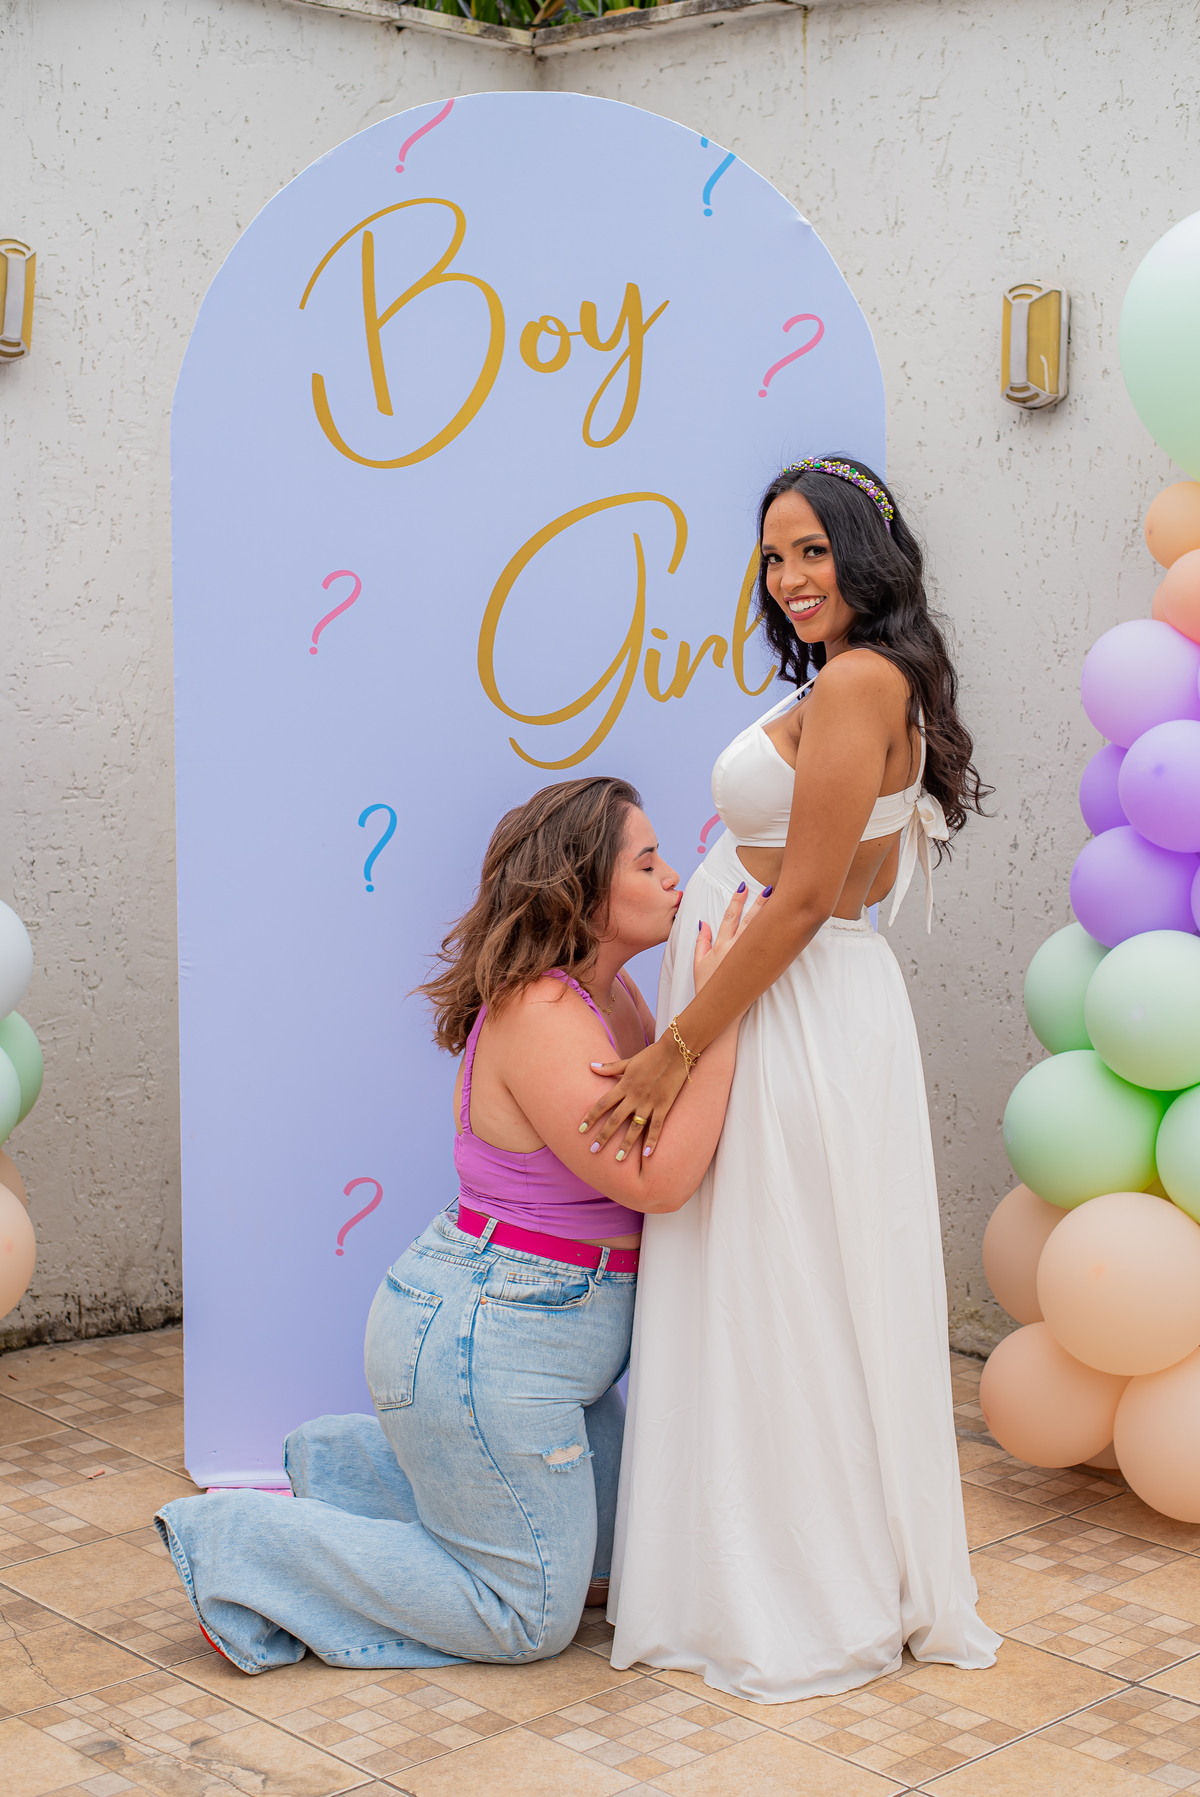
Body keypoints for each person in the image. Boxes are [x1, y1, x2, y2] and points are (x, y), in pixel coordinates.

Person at [155, 776, 761, 1674]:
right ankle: (234, 1542)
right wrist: (727, 1008)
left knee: (617, 1562)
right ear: (584, 893)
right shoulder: (543, 1013)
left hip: (539, 1347)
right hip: (488, 1341)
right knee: (528, 1616)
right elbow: (659, 1177)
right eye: (647, 862)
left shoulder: (619, 999)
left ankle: (343, 1468)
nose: (673, 876)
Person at [583, 457, 1003, 1702]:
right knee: (784, 1284)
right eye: (774, 557)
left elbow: (808, 896)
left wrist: (675, 1044)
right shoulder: (860, 677)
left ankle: (795, 1591)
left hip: (787, 1008)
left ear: (866, 554)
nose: (789, 577)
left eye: (813, 549)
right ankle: (760, 1567)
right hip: (796, 1003)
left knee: (783, 1289)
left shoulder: (864, 681)